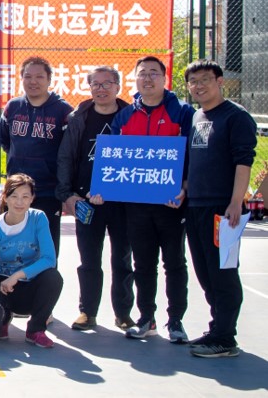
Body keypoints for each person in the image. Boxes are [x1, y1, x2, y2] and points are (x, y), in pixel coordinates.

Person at [111, 56, 193, 343]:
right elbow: (114, 157)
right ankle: (146, 317)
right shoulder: (124, 115)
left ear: (164, 78)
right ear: (135, 79)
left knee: (174, 263)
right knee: (143, 264)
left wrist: (185, 186)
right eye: (142, 73)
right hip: (136, 205)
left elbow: (192, 154)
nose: (147, 78)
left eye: (154, 73)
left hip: (171, 204)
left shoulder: (182, 112)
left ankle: (176, 320)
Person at [184, 60, 257, 358]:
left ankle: (226, 338)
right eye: (193, 81)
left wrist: (235, 202)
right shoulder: (196, 116)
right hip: (196, 206)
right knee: (205, 272)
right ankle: (217, 329)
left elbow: (244, 161)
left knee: (223, 273)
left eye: (205, 79)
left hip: (222, 209)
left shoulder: (236, 116)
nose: (198, 86)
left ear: (220, 81)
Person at [54, 66, 134, 332]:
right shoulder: (79, 118)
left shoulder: (131, 116)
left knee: (122, 259)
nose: (101, 89)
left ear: (118, 86)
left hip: (123, 202)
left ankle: (123, 313)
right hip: (85, 201)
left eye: (107, 83)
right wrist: (67, 194)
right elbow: (66, 157)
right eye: (95, 84)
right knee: (89, 259)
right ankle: (87, 312)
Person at [0, 174, 63, 348]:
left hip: (28, 286)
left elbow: (49, 259)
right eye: (14, 196)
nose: (19, 202)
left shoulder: (38, 218)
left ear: (32, 198)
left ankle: (36, 329)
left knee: (53, 277)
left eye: (25, 196)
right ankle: (3, 317)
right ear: (5, 197)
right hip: (2, 285)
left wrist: (17, 276)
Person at [0, 56, 73, 255]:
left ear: (49, 79)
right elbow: (6, 141)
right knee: (13, 247)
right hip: (16, 192)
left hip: (48, 190)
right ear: (21, 78)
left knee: (46, 248)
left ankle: (46, 277)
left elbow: (69, 152)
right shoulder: (13, 107)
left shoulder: (63, 111)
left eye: (39, 77)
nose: (33, 81)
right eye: (28, 76)